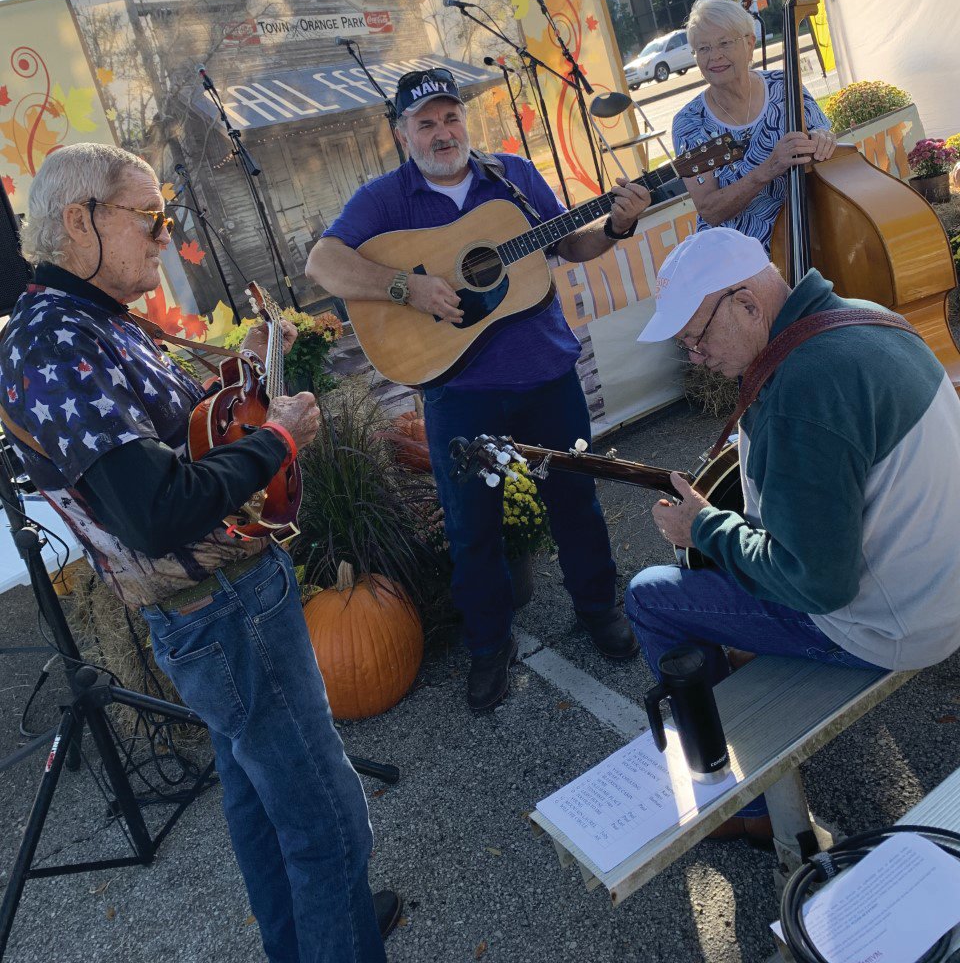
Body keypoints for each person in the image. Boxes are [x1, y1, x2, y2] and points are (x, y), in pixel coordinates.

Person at [0, 142, 398, 963]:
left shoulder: (91, 322)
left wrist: (241, 393)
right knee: (328, 825)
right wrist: (279, 438)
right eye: (149, 218)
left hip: (225, 608)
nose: (163, 234)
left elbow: (173, 449)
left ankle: (323, 936)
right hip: (222, 615)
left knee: (262, 808)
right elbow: (154, 511)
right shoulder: (51, 342)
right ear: (79, 221)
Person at [306, 67, 651, 712]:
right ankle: (490, 648)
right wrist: (406, 288)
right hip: (459, 389)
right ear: (401, 132)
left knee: (575, 499)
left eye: (450, 117)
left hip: (546, 372)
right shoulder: (387, 199)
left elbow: (569, 244)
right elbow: (322, 263)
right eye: (426, 122)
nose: (442, 133)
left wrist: (618, 225)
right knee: (472, 529)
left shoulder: (512, 177)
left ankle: (599, 609)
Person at [625, 227, 960, 834]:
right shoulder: (862, 314)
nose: (696, 360)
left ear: (748, 305)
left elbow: (818, 584)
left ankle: (745, 805)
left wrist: (703, 527)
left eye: (696, 339)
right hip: (944, 583)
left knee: (650, 595)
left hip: (900, 628)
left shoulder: (800, 392)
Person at [672, 0, 838, 249]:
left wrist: (824, 139)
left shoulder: (786, 85)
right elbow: (710, 210)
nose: (714, 56)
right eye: (703, 49)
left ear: (750, 44)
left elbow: (823, 134)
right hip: (739, 258)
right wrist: (768, 168)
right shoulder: (690, 122)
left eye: (724, 43)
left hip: (810, 238)